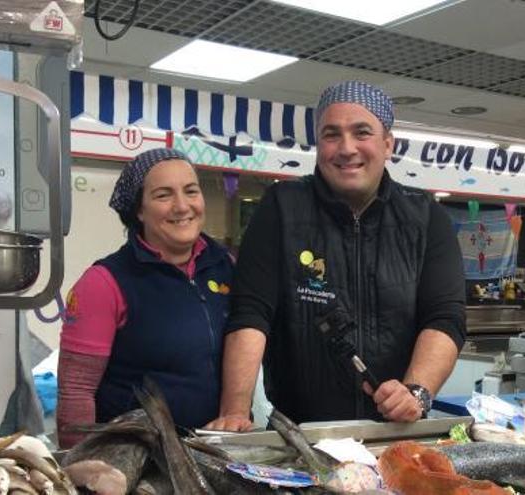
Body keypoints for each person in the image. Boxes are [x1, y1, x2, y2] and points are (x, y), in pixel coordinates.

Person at [205, 81, 466, 430]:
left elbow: (445, 318)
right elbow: (251, 316)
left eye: (362, 132)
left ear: (387, 143)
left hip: (396, 433)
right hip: (299, 435)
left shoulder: (425, 217)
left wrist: (416, 392)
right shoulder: (282, 208)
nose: (346, 148)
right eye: (331, 134)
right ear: (318, 145)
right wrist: (235, 411)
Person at [57, 148, 233, 447]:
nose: (182, 206)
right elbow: (76, 391)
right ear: (139, 210)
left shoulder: (225, 265)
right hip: (136, 459)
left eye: (191, 191)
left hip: (212, 450)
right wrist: (79, 467)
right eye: (164, 195)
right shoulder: (104, 282)